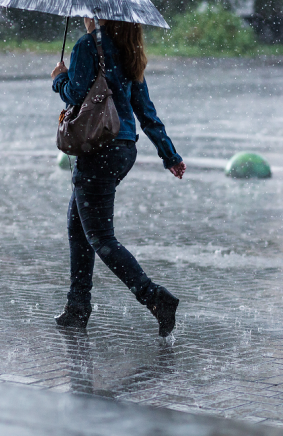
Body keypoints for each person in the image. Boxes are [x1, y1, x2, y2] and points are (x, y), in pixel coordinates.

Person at [51, 17, 186, 337]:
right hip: (124, 150)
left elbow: (74, 94)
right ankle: (77, 307)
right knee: (78, 227)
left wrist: (59, 78)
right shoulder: (129, 50)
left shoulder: (87, 46)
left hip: (98, 147)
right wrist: (170, 155)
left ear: (97, 13)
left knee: (100, 237)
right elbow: (146, 112)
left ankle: (155, 298)